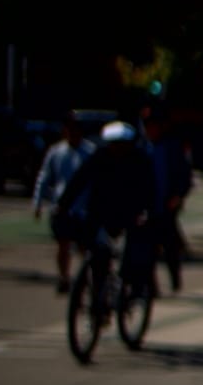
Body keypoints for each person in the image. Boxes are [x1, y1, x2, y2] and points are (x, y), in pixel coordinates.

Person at [61, 120, 156, 283]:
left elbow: (149, 189)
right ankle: (98, 288)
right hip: (100, 211)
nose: (117, 148)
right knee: (96, 252)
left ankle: (129, 285)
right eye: (113, 144)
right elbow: (79, 181)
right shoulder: (100, 157)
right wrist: (63, 204)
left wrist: (146, 211)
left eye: (121, 144)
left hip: (129, 212)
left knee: (131, 252)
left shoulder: (139, 160)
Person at [32, 115, 93, 287]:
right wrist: (38, 202)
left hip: (84, 208)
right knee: (63, 244)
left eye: (76, 129)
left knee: (84, 247)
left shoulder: (90, 152)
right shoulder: (56, 152)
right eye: (69, 129)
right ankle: (63, 277)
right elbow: (44, 177)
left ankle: (85, 275)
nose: (73, 133)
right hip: (61, 206)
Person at [141, 106, 193, 292]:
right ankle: (151, 284)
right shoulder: (142, 148)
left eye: (153, 126)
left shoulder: (171, 147)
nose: (150, 130)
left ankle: (175, 279)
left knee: (170, 246)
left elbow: (185, 176)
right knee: (148, 249)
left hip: (167, 206)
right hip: (147, 207)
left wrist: (178, 196)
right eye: (147, 126)